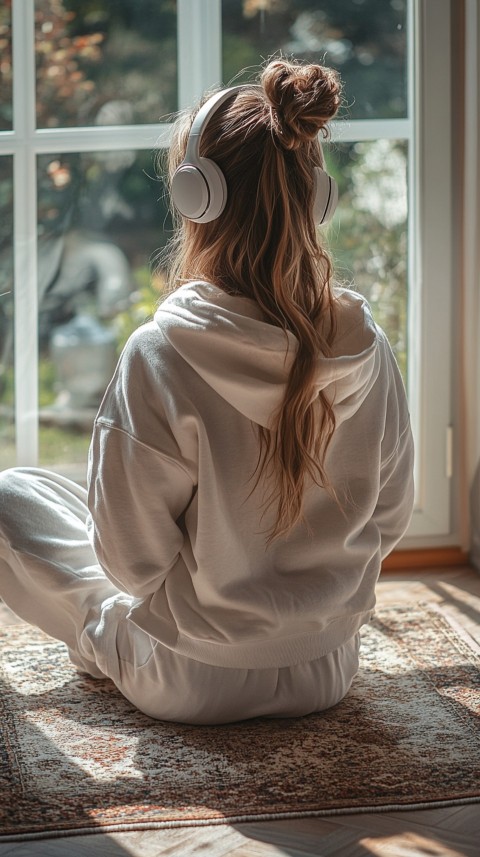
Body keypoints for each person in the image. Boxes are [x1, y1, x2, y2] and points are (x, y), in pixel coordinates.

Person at [0, 59, 414, 725]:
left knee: (12, 497)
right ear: (317, 198)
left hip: (189, 676)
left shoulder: (162, 352)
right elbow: (390, 515)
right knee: (52, 496)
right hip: (328, 666)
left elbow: (132, 563)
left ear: (198, 199)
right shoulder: (366, 346)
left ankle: (101, 643)